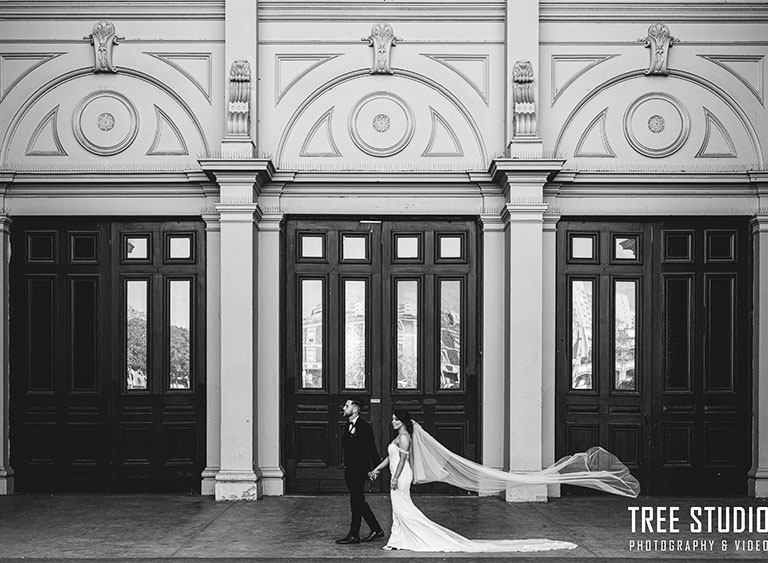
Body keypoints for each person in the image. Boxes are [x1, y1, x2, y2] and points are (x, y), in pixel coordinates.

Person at [368, 409, 639, 552]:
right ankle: (398, 538)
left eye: (394, 419)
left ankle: (402, 538)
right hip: (395, 474)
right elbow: (390, 456)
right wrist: (379, 470)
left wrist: (393, 479)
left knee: (403, 508)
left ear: (402, 421)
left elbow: (403, 459)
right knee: (400, 509)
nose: (391, 422)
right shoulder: (400, 436)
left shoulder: (404, 437)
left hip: (400, 477)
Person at [335, 398, 385, 545]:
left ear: (355, 409)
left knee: (356, 501)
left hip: (360, 470)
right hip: (350, 469)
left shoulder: (364, 427)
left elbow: (371, 449)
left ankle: (354, 534)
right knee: (358, 500)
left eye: (346, 405)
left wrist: (374, 469)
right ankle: (376, 529)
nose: (344, 408)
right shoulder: (346, 426)